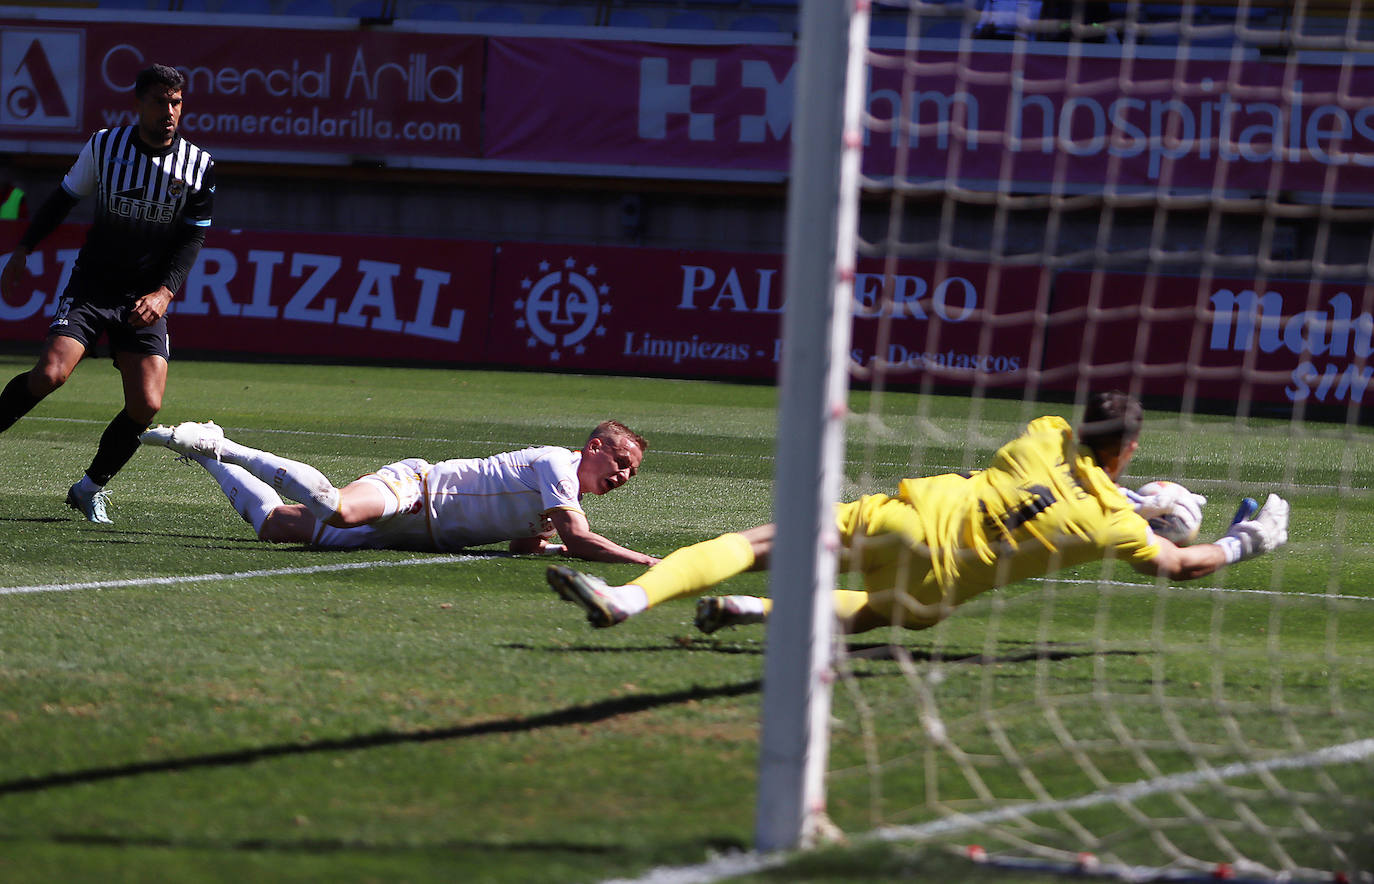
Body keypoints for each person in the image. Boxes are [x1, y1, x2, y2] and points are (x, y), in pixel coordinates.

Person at [546, 391, 1290, 635]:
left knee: (756, 540)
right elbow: (1179, 566)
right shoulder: (1112, 524)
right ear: (1126, 453)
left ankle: (628, 597)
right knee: (873, 611)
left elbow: (1082, 471)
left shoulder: (1044, 437)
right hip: (939, 584)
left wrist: (1140, 490)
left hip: (909, 515)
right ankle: (755, 610)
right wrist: (1245, 540)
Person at [0, 64, 214, 525]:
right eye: (160, 102)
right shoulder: (105, 145)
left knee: (147, 404)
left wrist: (164, 292)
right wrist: (23, 248)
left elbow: (192, 237)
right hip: (93, 287)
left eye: (176, 102)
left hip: (144, 299)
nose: (169, 112)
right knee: (51, 374)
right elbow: (62, 199)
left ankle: (89, 487)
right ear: (138, 104)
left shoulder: (199, 166)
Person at [140, 419, 660, 564]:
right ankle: (225, 446)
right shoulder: (556, 466)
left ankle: (205, 455)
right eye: (622, 463)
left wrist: (548, 546)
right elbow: (582, 537)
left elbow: (523, 545)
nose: (624, 477)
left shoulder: (562, 497)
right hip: (416, 490)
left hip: (412, 536)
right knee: (338, 508)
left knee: (275, 527)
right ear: (595, 447)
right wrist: (642, 561)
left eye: (631, 475)